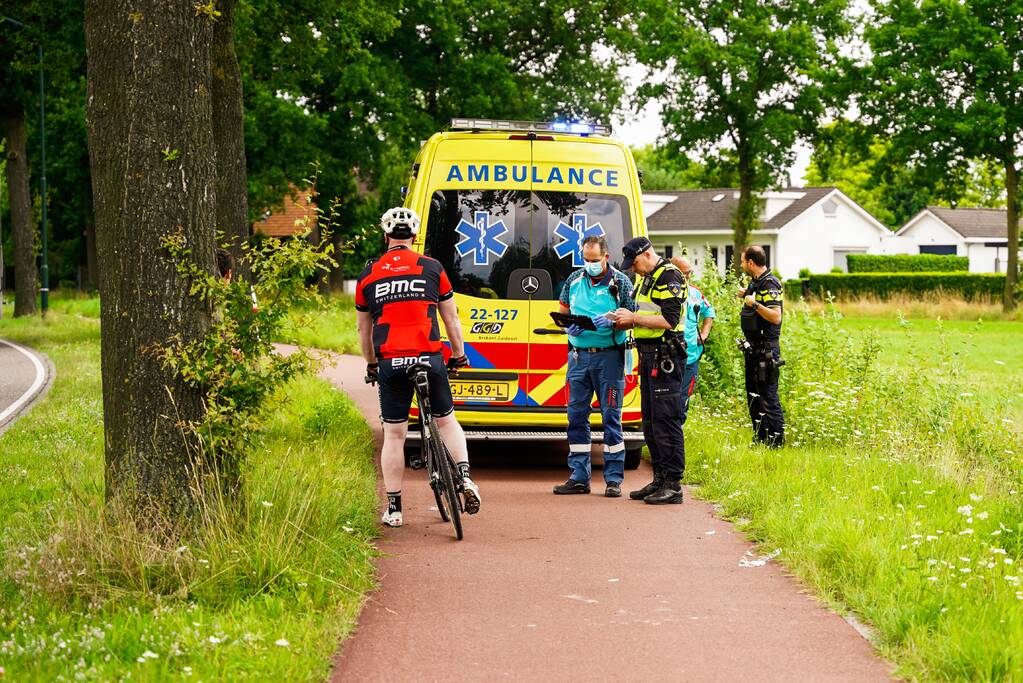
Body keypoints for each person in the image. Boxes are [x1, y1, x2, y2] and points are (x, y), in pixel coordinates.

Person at [355, 207, 481, 527]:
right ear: (414, 236)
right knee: (447, 422)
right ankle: (465, 478)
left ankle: (395, 509)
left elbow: (363, 330)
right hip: (429, 356)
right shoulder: (432, 267)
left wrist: (372, 365)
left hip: (391, 361)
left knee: (395, 435)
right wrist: (458, 355)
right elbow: (451, 318)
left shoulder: (368, 274)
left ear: (385, 237)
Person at [553, 235, 637, 498]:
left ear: (606, 257)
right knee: (576, 417)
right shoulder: (573, 281)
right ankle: (579, 477)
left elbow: (632, 317)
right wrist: (568, 324)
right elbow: (563, 312)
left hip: (609, 357)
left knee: (611, 417)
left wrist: (612, 322)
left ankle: (613, 480)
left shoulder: (620, 282)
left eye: (594, 260)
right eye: (585, 259)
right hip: (579, 357)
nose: (589, 264)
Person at [609, 237, 688, 505]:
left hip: (665, 356)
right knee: (650, 421)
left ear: (646, 254)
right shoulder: (648, 278)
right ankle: (659, 478)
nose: (634, 269)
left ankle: (673, 485)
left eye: (635, 263)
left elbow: (669, 319)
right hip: (648, 355)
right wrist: (623, 321)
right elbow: (643, 314)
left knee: (667, 420)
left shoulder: (669, 276)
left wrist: (633, 319)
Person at [737, 245, 785, 447]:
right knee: (754, 396)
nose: (741, 265)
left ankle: (776, 443)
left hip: (766, 350)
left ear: (750, 262)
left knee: (767, 396)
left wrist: (753, 304)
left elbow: (775, 316)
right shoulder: (756, 282)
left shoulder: (770, 283)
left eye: (742, 261)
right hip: (753, 348)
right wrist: (745, 296)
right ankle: (760, 439)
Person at [670, 256, 715, 424]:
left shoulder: (695, 293)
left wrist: (703, 334)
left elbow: (709, 313)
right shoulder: (665, 292)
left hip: (691, 357)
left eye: (689, 272)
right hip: (670, 357)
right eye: (684, 273)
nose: (688, 276)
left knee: (683, 399)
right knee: (668, 399)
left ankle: (677, 437)